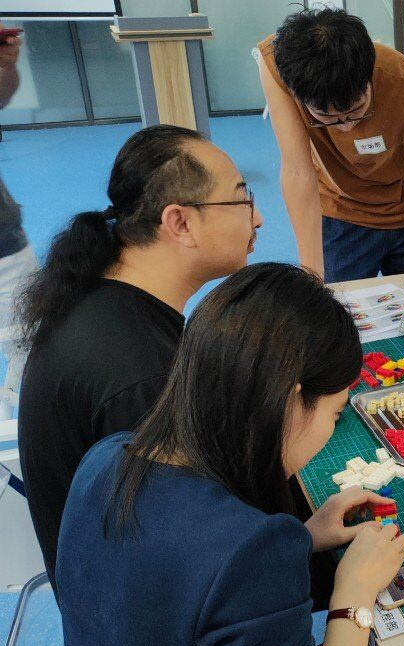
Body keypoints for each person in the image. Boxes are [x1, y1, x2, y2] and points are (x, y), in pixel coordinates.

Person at [57, 264, 404, 646]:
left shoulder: (105, 460)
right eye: (334, 413)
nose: (331, 432)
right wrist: (352, 599)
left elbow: (177, 584)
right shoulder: (248, 551)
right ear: (290, 401)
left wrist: (305, 535)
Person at [17, 124, 262, 589]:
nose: (259, 219)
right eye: (241, 200)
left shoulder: (105, 298)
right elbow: (184, 555)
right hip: (138, 611)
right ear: (180, 223)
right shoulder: (139, 376)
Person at [258, 8, 404, 323]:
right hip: (343, 211)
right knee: (333, 318)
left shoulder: (403, 84)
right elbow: (298, 172)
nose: (347, 126)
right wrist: (311, 276)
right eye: (328, 118)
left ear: (369, 79)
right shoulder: (281, 66)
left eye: (356, 111)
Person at [0, 28, 35, 416]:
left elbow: (2, 95)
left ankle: (20, 409)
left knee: (30, 330)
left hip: (4, 241)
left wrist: (6, 67)